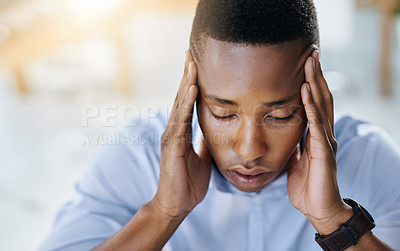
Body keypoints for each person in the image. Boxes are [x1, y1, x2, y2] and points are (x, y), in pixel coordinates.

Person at [39, 0, 400, 250]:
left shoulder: (370, 156)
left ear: (316, 89)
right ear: (191, 88)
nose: (248, 150)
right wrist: (163, 213)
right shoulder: (139, 153)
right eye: (224, 114)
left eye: (279, 115)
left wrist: (335, 221)